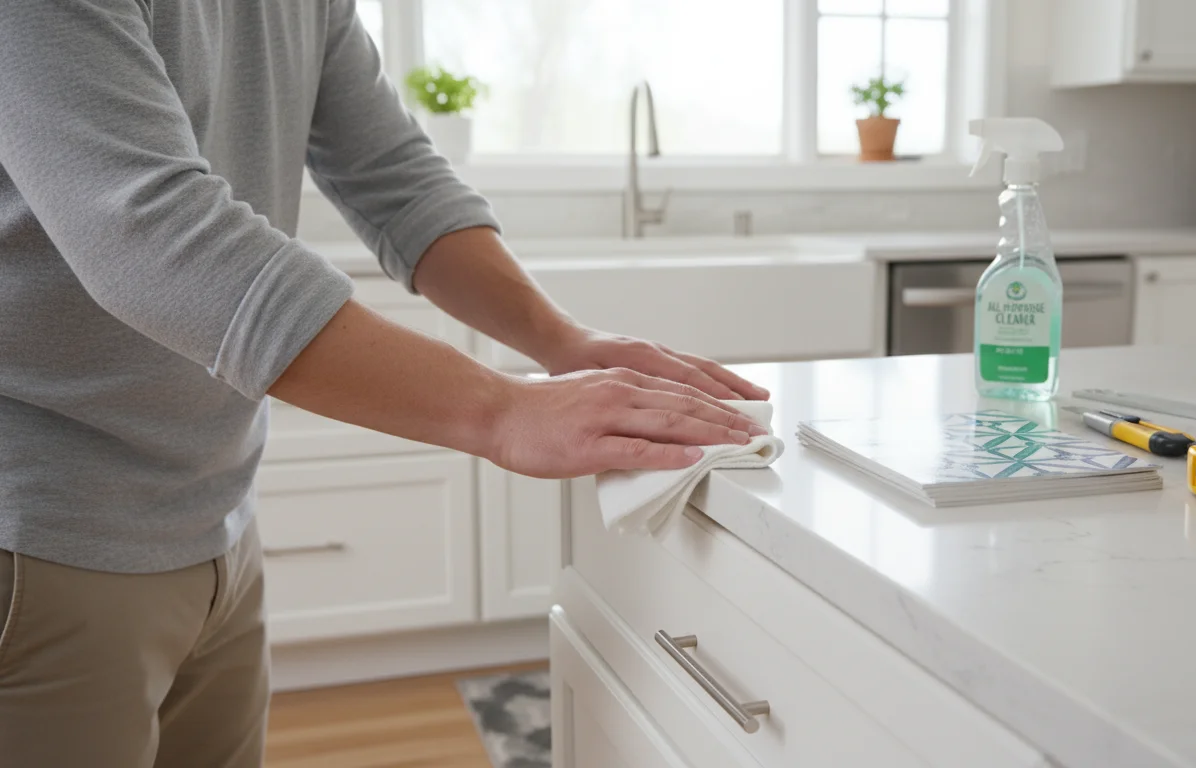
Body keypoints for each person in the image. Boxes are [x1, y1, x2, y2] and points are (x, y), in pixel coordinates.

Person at [0, 1, 768, 765]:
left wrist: (561, 340)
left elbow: (397, 180)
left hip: (212, 511)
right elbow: (152, 234)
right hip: (44, 528)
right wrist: (502, 410)